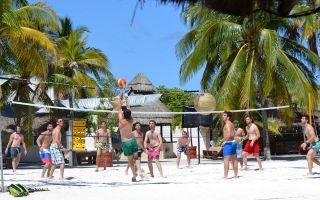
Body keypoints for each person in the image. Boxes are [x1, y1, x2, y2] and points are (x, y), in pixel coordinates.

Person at [115, 93, 139, 182]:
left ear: (124, 115)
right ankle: (137, 171)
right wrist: (126, 98)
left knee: (130, 161)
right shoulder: (131, 120)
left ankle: (134, 176)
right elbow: (128, 109)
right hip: (133, 141)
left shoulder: (121, 121)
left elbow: (119, 109)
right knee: (135, 158)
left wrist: (118, 99)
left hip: (126, 143)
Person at [220, 111, 238, 179]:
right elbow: (233, 134)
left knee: (226, 159)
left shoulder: (227, 124)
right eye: (223, 115)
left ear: (228, 117)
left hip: (229, 143)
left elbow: (230, 134)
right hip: (233, 142)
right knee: (234, 159)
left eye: (224, 115)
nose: (223, 116)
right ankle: (236, 175)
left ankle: (225, 176)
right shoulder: (231, 124)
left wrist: (225, 141)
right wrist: (222, 139)